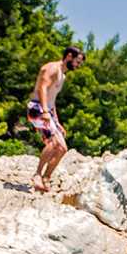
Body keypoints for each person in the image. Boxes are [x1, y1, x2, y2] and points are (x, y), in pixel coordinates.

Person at [27, 45, 85, 192]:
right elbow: (43, 88)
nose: (78, 66)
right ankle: (38, 174)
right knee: (54, 142)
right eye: (77, 62)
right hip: (37, 107)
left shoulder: (62, 76)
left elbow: (52, 100)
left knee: (62, 148)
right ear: (69, 56)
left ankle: (46, 179)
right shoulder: (52, 68)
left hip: (48, 110)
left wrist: (57, 122)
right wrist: (45, 111)